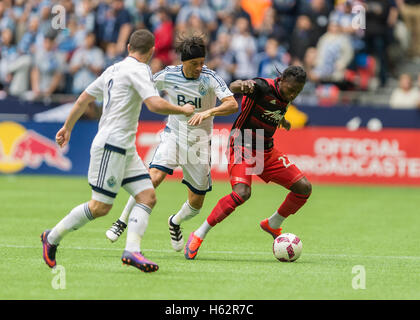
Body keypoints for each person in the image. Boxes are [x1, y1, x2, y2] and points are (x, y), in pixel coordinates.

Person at [40, 29, 195, 273]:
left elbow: (83, 99)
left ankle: (132, 250)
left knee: (147, 196)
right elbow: (153, 104)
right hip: (111, 145)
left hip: (125, 147)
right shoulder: (140, 70)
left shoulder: (113, 69)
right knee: (100, 207)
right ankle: (51, 237)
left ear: (127, 47)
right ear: (152, 51)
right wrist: (183, 110)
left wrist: (67, 127)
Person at [105, 32, 238, 252]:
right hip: (174, 136)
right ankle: (121, 220)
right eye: (194, 64)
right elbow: (142, 85)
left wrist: (208, 113)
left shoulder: (210, 77)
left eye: (202, 63)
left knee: (196, 204)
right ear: (183, 62)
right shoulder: (168, 75)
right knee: (153, 177)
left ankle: (174, 221)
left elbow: (232, 104)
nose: (199, 68)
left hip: (199, 144)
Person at [184, 65, 312, 260]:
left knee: (303, 188)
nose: (293, 95)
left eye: (298, 92)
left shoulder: (285, 97)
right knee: (242, 193)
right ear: (281, 80)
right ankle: (199, 234)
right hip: (242, 145)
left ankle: (273, 224)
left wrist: (282, 120)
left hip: (266, 149)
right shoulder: (261, 86)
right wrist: (241, 85)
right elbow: (235, 87)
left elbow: (273, 109)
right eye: (290, 89)